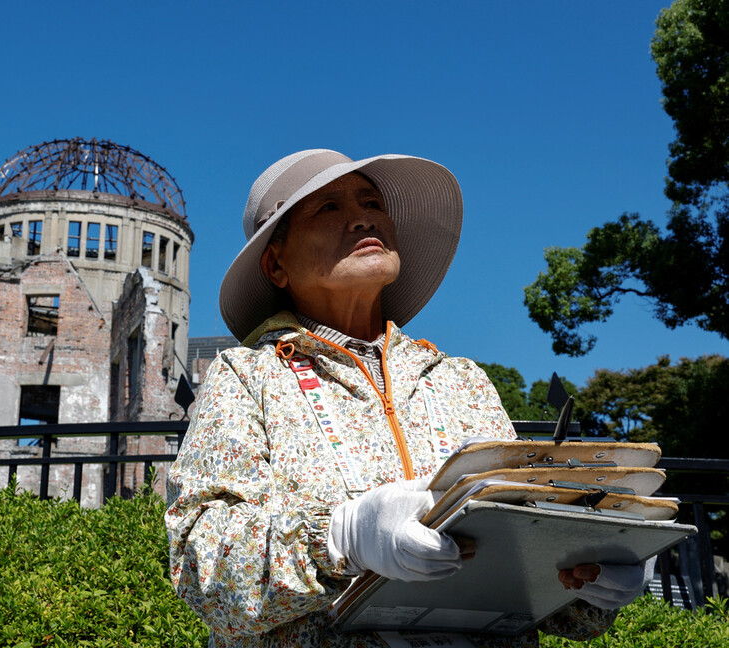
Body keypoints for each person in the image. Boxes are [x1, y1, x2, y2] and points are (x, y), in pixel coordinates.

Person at [165, 149, 650, 648]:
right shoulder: (247, 376)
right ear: (276, 263)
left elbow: (526, 582)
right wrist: (341, 538)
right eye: (327, 207)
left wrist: (588, 580)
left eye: (373, 202)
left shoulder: (462, 381)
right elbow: (204, 569)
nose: (362, 217)